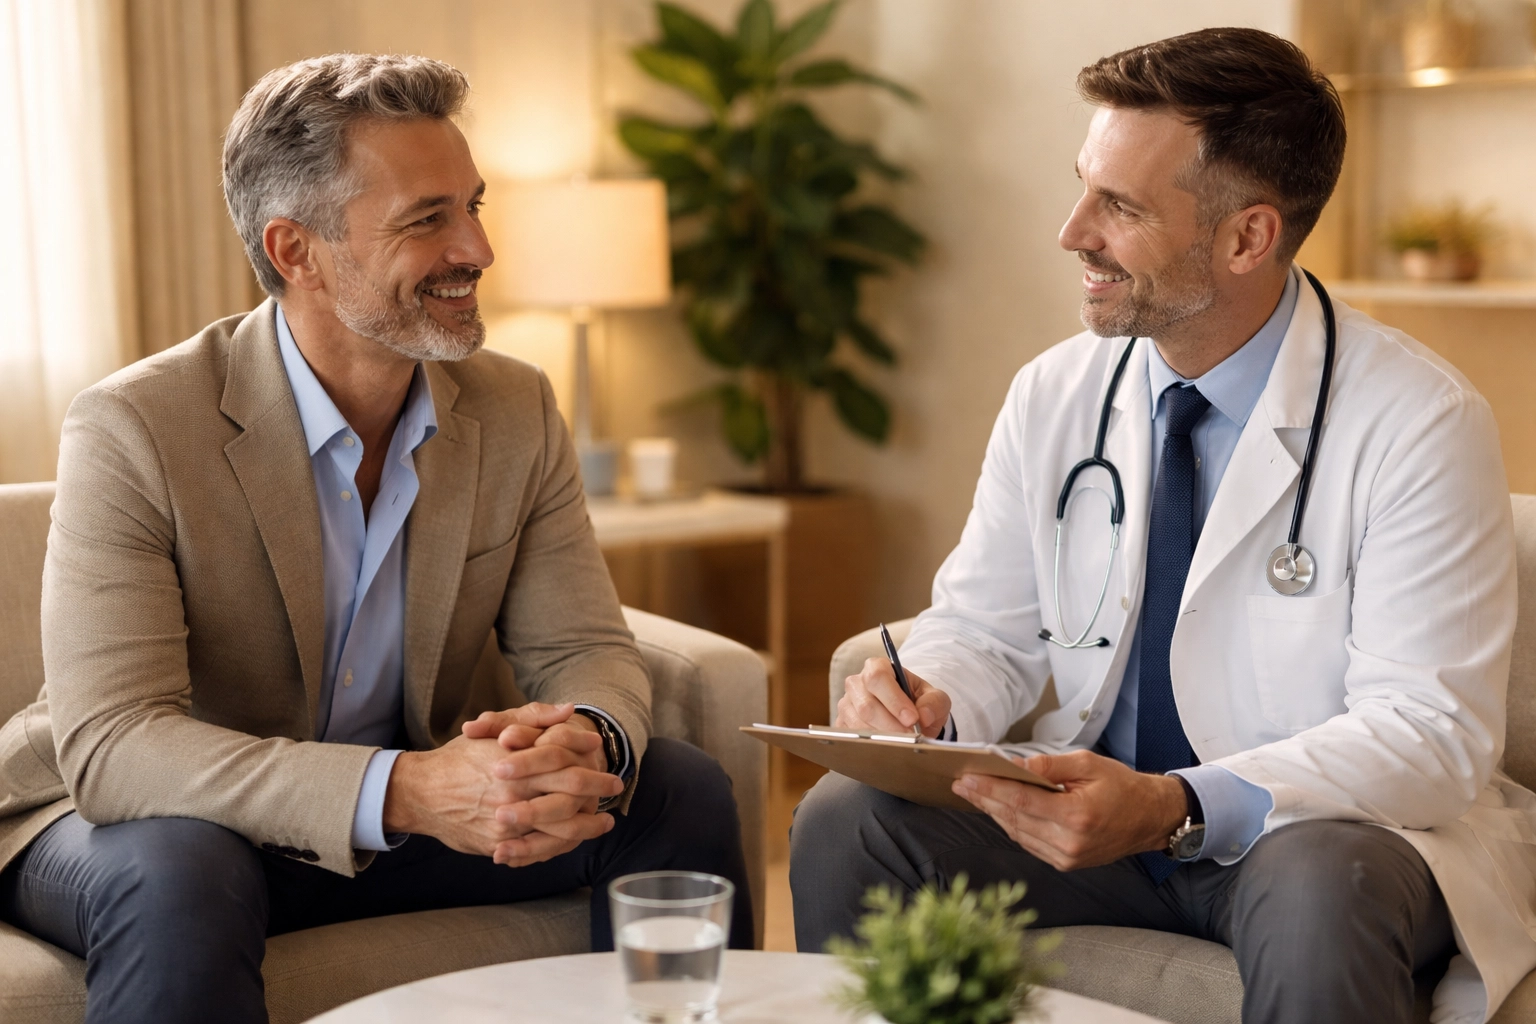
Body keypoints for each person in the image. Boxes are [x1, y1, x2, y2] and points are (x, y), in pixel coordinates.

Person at [790, 27, 1536, 1024]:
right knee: (849, 823)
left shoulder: (1419, 421)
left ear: (1246, 238)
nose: (1071, 230)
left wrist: (1181, 801)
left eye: (1119, 206)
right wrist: (930, 698)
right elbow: (986, 626)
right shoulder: (1055, 393)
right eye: (1083, 186)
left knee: (1321, 885)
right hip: (1089, 828)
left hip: (1304, 836)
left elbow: (1432, 734)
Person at [0, 53, 751, 1024]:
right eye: (427, 218)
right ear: (296, 249)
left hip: (392, 810)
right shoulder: (136, 426)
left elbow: (585, 647)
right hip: (134, 818)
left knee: (668, 786)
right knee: (182, 866)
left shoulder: (515, 408)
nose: (478, 249)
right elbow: (118, 746)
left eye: (474, 206)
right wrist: (407, 789)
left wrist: (579, 734)